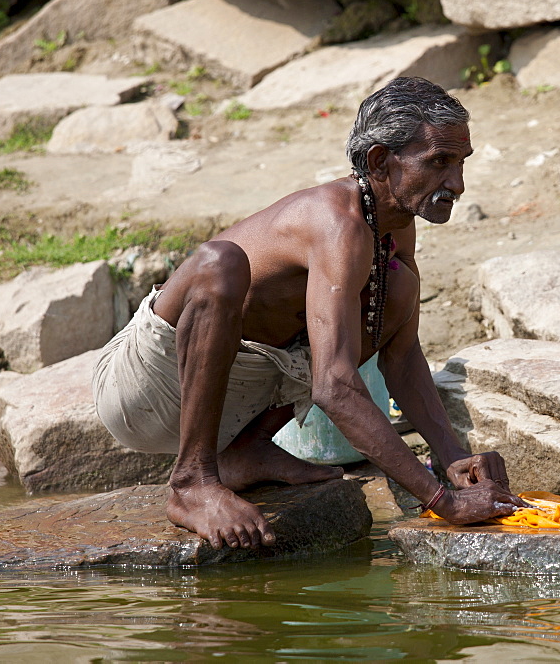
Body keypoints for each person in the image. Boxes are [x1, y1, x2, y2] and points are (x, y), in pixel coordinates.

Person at [93, 77, 527, 550]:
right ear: (381, 161)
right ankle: (191, 482)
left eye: (461, 163)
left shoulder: (394, 224)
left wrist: (454, 459)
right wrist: (441, 500)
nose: (457, 184)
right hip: (149, 385)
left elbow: (401, 359)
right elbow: (334, 387)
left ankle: (245, 452)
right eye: (439, 162)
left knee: (392, 286)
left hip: (234, 405)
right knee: (220, 264)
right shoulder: (336, 222)